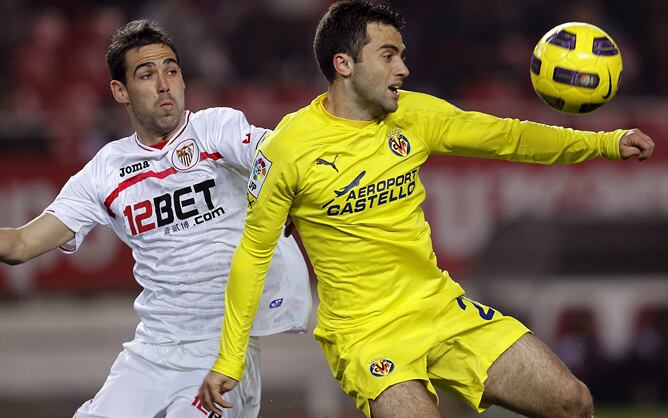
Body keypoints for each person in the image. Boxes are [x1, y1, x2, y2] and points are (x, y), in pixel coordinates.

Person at [199, 1, 655, 417]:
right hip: (365, 334)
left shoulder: (412, 115)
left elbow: (508, 137)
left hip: (439, 308)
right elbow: (254, 254)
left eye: (402, 55)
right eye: (388, 55)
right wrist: (229, 358)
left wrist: (604, 142)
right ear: (344, 64)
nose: (404, 68)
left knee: (572, 402)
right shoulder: (287, 149)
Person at [0, 19, 312, 418]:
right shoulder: (106, 170)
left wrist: (290, 198)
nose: (164, 83)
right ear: (120, 91)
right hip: (152, 350)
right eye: (147, 74)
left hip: (222, 350)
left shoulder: (216, 129)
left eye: (172, 70)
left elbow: (288, 160)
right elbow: (22, 244)